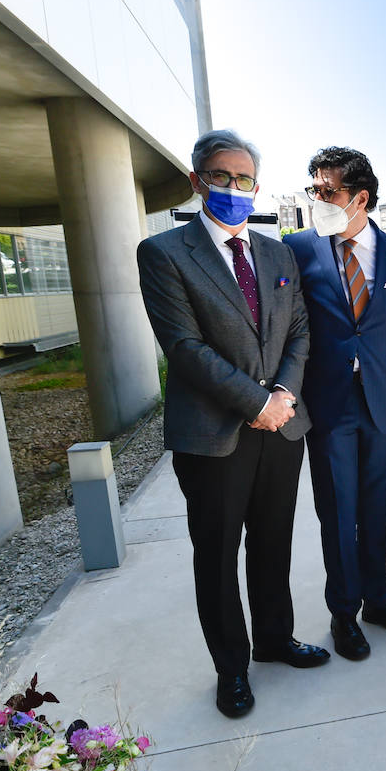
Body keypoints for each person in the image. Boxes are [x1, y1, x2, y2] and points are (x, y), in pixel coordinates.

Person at [137, 129, 327, 719]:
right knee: (217, 555)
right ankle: (232, 668)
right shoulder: (165, 254)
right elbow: (185, 347)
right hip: (214, 437)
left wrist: (285, 395)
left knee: (273, 544)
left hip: (282, 429)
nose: (232, 188)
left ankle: (274, 638)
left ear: (257, 186)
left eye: (243, 179)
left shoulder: (278, 253)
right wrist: (256, 402)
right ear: (197, 181)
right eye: (220, 177)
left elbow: (298, 331)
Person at [284, 147, 386, 661]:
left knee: (375, 510)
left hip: (381, 404)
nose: (317, 199)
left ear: (360, 197)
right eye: (313, 189)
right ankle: (344, 613)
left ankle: (379, 603)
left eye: (328, 191)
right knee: (338, 515)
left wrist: (373, 366)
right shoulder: (297, 250)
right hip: (329, 406)